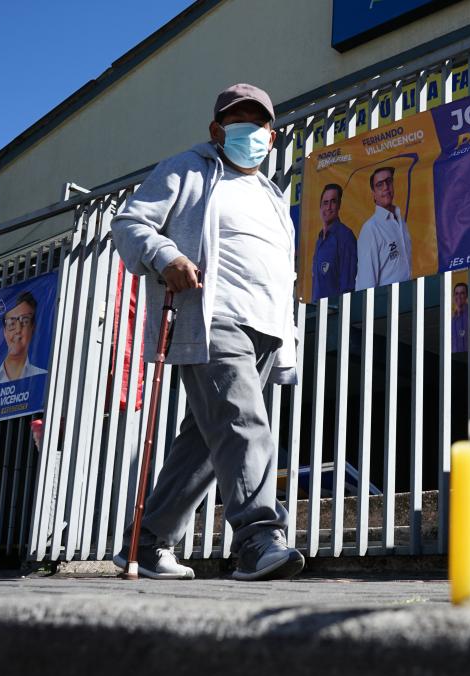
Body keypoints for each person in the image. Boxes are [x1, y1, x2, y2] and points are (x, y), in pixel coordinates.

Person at [110, 82, 303, 581]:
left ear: (273, 135)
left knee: (206, 438)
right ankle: (257, 540)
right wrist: (165, 255)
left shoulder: (273, 196)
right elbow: (129, 223)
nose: (251, 131)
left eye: (259, 123)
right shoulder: (187, 169)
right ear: (217, 130)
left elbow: (284, 271)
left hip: (265, 327)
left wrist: (287, 341)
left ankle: (149, 543)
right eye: (239, 121)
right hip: (210, 316)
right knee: (243, 423)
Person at [355, 166, 412, 290]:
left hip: (407, 299)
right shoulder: (370, 229)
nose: (386, 187)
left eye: (389, 181)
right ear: (374, 194)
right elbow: (366, 284)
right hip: (386, 304)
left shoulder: (400, 220)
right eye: (380, 185)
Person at [0, 291, 47, 387]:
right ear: (4, 331)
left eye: (25, 321)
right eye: (12, 323)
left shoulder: (44, 379)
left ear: (33, 328)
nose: (18, 330)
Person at [311, 183, 357, 299]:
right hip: (318, 311)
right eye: (325, 203)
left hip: (337, 312)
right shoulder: (319, 240)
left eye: (333, 202)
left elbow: (348, 285)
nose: (329, 207)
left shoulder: (345, 236)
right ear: (320, 206)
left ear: (339, 205)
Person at [451, 282, 470, 353]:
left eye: (462, 293)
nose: (459, 296)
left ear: (467, 295)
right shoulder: (452, 320)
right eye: (456, 293)